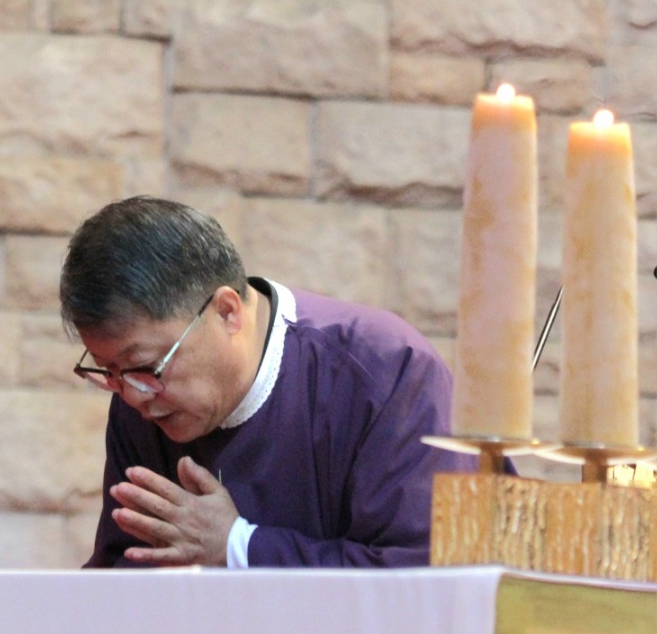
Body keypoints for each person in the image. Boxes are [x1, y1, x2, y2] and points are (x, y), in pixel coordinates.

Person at [62, 196, 475, 568]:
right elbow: (123, 573)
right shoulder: (138, 396)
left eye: (147, 367)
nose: (133, 396)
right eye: (108, 372)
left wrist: (239, 546)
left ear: (227, 312)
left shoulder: (385, 371)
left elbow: (425, 575)